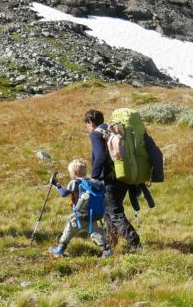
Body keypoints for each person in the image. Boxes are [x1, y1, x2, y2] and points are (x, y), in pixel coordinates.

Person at [85, 109, 141, 251]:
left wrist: (94, 178)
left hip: (112, 179)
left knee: (114, 212)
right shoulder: (111, 130)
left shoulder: (96, 134)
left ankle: (135, 243)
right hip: (124, 175)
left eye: (86, 124)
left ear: (90, 122)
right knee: (108, 211)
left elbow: (100, 157)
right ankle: (112, 243)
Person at [49, 159, 112, 258]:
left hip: (78, 216)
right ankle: (106, 250)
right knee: (95, 232)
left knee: (68, 231)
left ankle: (59, 249)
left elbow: (64, 193)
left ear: (74, 173)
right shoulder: (90, 182)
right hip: (91, 215)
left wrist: (56, 184)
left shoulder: (74, 182)